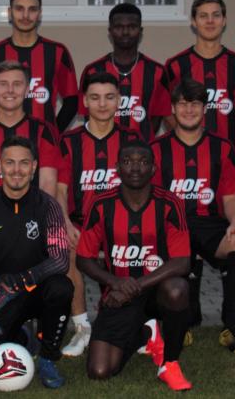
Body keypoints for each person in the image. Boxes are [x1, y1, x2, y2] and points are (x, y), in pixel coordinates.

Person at [0, 136, 73, 388]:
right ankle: (21, 336)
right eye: (10, 163)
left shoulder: (49, 206)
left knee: (62, 287)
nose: (17, 170)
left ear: (34, 167)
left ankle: (47, 357)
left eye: (24, 163)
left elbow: (61, 260)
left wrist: (20, 281)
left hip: (36, 291)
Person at [78, 140, 193, 391]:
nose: (135, 167)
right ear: (117, 167)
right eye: (128, 161)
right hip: (119, 295)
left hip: (155, 291)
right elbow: (83, 258)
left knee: (177, 289)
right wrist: (115, 283)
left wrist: (134, 286)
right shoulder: (101, 204)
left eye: (143, 161)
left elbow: (183, 262)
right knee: (100, 371)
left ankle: (170, 363)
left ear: (153, 168)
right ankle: (146, 333)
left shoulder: (170, 203)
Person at [151, 78, 235, 348]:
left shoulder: (223, 147)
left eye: (195, 104)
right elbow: (152, 200)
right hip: (172, 226)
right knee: (174, 257)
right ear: (173, 108)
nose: (189, 110)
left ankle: (231, 327)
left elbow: (230, 196)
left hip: (210, 224)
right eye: (183, 104)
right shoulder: (157, 149)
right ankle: (180, 323)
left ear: (205, 109)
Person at [56, 72, 144, 356]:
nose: (102, 104)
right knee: (65, 249)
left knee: (142, 249)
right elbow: (60, 189)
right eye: (95, 98)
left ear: (119, 101)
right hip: (82, 224)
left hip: (124, 223)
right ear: (84, 101)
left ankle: (138, 325)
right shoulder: (68, 141)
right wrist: (65, 222)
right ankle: (82, 328)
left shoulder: (132, 138)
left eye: (109, 97)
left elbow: (145, 188)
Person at [0, 0, 79, 131]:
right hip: (4, 141)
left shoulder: (57, 52)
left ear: (40, 14)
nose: (26, 16)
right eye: (19, 9)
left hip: (43, 141)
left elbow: (72, 101)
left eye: (32, 9)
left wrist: (52, 134)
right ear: (9, 13)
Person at [0, 61, 63, 206]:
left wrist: (36, 215)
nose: (10, 90)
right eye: (3, 84)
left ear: (27, 90)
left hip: (33, 217)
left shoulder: (44, 131)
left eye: (17, 84)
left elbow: (48, 182)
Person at [164, 0, 235, 144]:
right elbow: (166, 111)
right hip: (186, 150)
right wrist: (187, 138)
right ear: (194, 21)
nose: (210, 21)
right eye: (203, 16)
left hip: (228, 152)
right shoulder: (175, 65)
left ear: (224, 21)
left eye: (216, 15)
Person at [78, 3, 172, 141]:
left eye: (132, 27)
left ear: (140, 31)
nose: (125, 32)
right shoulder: (92, 71)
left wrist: (142, 142)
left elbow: (158, 116)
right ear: (110, 31)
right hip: (102, 148)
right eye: (119, 27)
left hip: (142, 151)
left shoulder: (157, 71)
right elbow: (89, 115)